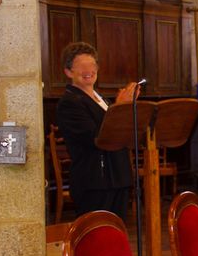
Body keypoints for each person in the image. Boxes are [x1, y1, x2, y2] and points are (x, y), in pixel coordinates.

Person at [55, 42, 140, 220]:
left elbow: (120, 133)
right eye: (81, 66)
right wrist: (120, 106)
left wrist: (123, 109)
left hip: (118, 177)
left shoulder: (101, 99)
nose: (89, 70)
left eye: (92, 65)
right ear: (68, 72)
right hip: (95, 182)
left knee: (116, 238)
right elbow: (97, 137)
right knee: (97, 239)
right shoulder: (70, 102)